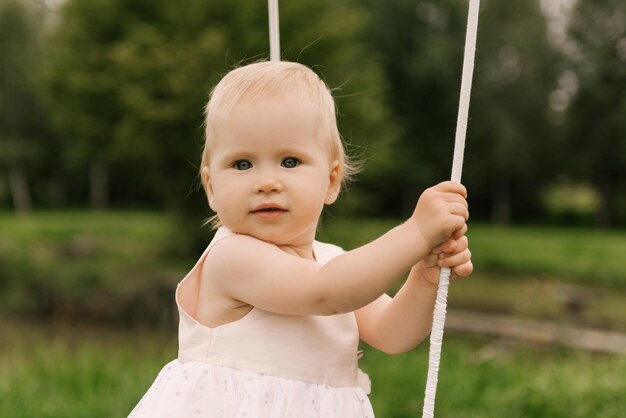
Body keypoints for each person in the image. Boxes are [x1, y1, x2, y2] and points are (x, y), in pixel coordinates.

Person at [128, 60, 472, 418]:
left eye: (289, 162)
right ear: (212, 186)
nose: (267, 182)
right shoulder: (231, 258)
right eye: (242, 164)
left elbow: (393, 334)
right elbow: (327, 293)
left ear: (331, 180)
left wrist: (424, 277)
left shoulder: (332, 261)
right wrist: (415, 233)